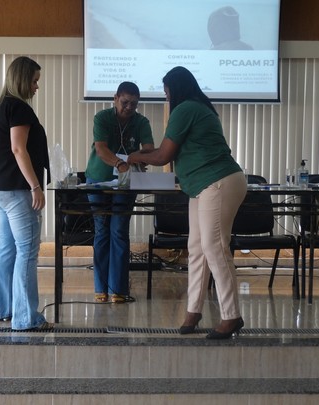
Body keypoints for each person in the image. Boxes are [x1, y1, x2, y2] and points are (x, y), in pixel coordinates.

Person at [127, 67, 247, 339]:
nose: (167, 97)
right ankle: (193, 311)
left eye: (167, 92)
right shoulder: (199, 107)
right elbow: (166, 152)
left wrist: (137, 157)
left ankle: (231, 315)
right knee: (196, 248)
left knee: (214, 247)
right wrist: (146, 154)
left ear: (175, 89)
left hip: (217, 181)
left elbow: (163, 156)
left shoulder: (185, 109)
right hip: (202, 185)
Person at [0, 56, 52, 331]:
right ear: (23, 79)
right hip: (15, 189)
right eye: (34, 81)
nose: (37, 87)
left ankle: (0, 309)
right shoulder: (19, 108)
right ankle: (25, 318)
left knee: (7, 248)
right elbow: (18, 149)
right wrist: (36, 186)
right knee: (27, 251)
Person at [85, 81, 154, 303]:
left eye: (134, 104)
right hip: (100, 179)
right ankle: (100, 289)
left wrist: (140, 157)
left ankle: (118, 290)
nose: (129, 108)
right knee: (102, 231)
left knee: (119, 232)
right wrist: (119, 163)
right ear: (115, 98)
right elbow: (101, 148)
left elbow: (149, 148)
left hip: (126, 182)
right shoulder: (102, 118)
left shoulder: (141, 121)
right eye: (125, 102)